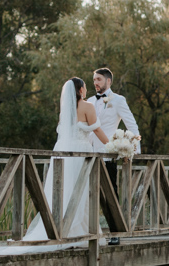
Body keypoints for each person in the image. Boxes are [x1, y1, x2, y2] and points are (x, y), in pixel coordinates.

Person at [23, 77, 108, 240]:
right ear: (81, 90)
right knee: (81, 190)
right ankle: (78, 232)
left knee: (64, 190)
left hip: (62, 151)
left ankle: (60, 229)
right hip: (80, 153)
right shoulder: (87, 106)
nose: (86, 90)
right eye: (84, 87)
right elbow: (97, 130)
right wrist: (113, 146)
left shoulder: (65, 110)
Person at [87, 66, 141, 194]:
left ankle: (114, 215)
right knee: (89, 193)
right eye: (94, 80)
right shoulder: (89, 101)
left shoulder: (118, 100)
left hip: (108, 154)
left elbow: (131, 124)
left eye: (99, 79)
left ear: (109, 81)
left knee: (110, 193)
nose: (95, 83)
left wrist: (135, 148)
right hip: (88, 153)